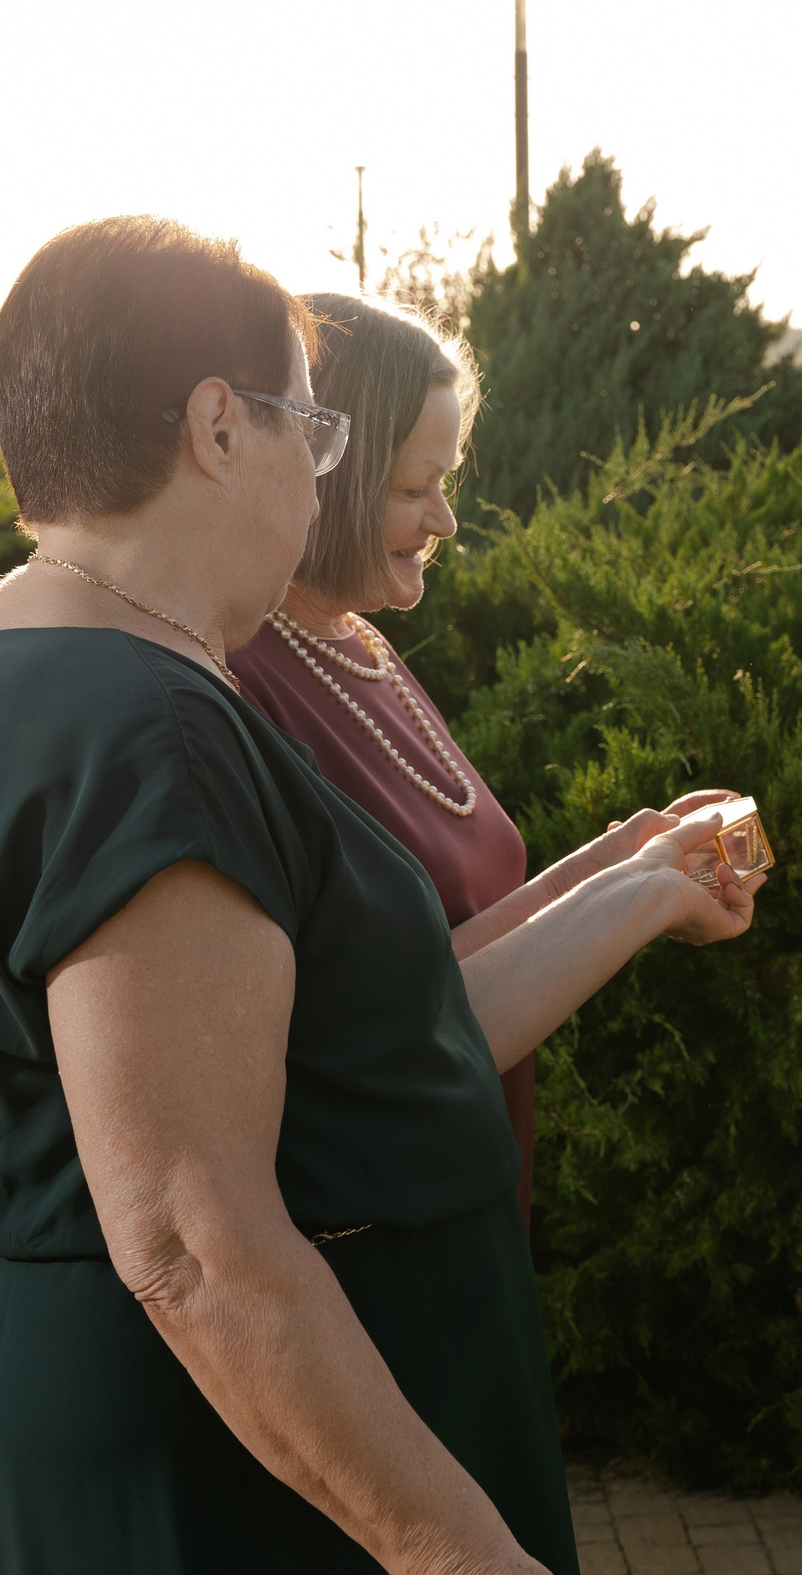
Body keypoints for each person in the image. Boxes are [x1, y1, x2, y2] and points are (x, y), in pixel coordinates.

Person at [0, 217, 758, 1575]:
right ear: (218, 427)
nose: (320, 480)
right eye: (312, 429)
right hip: (249, 1480)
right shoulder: (146, 731)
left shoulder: (30, 655)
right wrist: (455, 1547)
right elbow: (196, 1242)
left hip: (205, 1428)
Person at [228, 292, 742, 1228]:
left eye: (447, 484)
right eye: (415, 488)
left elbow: (450, 941)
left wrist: (632, 851)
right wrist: (646, 893)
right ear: (330, 475)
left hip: (473, 1195)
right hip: (377, 1228)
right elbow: (367, 1020)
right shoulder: (250, 678)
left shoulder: (356, 643)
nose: (445, 521)